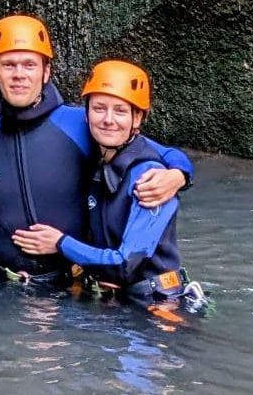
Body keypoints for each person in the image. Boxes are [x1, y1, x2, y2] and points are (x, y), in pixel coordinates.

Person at [0, 15, 193, 285]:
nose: (19, 74)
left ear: (46, 71)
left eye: (29, 64)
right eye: (9, 65)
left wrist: (179, 175)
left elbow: (161, 153)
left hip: (69, 288)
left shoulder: (82, 124)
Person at [11, 61, 203, 312]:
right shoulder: (100, 161)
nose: (108, 120)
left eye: (120, 111)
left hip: (157, 307)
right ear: (87, 114)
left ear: (137, 118)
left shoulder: (150, 179)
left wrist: (60, 243)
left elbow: (124, 266)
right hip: (119, 302)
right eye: (99, 108)